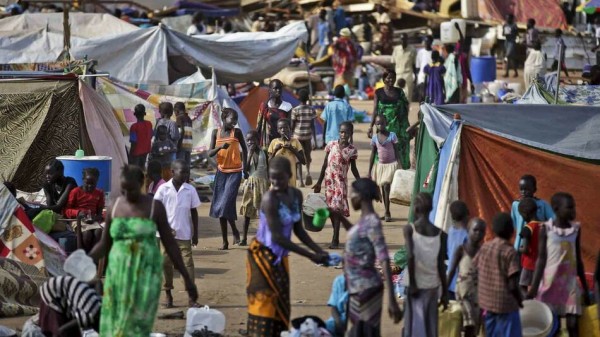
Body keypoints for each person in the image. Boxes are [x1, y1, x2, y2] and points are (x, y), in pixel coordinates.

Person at [89, 165, 198, 336]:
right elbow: (105, 243)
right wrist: (87, 259)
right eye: (124, 189)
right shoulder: (115, 206)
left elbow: (170, 245)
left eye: (131, 189)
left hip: (146, 275)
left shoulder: (154, 207)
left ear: (142, 184)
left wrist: (187, 279)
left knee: (137, 325)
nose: (127, 194)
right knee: (114, 321)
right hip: (118, 274)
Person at [245, 156, 329, 336]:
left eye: (280, 178)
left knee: (281, 298)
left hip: (280, 256)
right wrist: (310, 255)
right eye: (272, 178)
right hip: (262, 256)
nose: (275, 183)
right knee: (264, 302)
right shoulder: (269, 199)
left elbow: (299, 230)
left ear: (290, 176)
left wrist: (318, 250)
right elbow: (277, 237)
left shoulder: (296, 195)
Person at [329, 178, 402, 336]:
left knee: (366, 332)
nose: (350, 197)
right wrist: (340, 218)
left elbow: (383, 258)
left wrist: (392, 300)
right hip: (357, 287)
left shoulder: (372, 223)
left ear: (361, 196)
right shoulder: (366, 219)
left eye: (352, 193)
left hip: (367, 288)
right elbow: (359, 235)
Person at [528, 192, 590, 337]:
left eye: (574, 207)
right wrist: (534, 288)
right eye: (569, 207)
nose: (573, 211)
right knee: (550, 326)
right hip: (550, 284)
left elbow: (578, 259)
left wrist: (586, 289)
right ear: (556, 209)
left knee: (573, 325)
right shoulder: (546, 229)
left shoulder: (575, 229)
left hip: (570, 285)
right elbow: (541, 260)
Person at [153, 160, 200, 309]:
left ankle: (191, 297)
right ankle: (168, 293)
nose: (186, 174)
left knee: (187, 265)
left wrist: (195, 233)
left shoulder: (190, 190)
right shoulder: (163, 189)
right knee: (165, 264)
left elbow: (194, 212)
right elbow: (156, 211)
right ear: (172, 172)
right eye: (182, 172)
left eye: (187, 172)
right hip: (165, 236)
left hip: (184, 234)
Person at [403, 192, 448, 337]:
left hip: (414, 286)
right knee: (430, 326)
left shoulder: (410, 229)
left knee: (413, 325)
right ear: (431, 208)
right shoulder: (441, 234)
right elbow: (441, 265)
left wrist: (414, 283)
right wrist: (445, 292)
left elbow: (410, 256)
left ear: (415, 209)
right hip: (432, 286)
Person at [474, 212, 523, 337]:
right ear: (512, 232)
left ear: (493, 230)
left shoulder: (485, 247)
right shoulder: (510, 252)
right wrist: (520, 300)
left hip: (487, 304)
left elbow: (475, 268)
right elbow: (513, 285)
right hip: (506, 306)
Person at [313, 121, 359, 249]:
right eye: (341, 132)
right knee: (331, 211)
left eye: (346, 132)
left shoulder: (351, 150)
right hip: (329, 182)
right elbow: (324, 165)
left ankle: (335, 239)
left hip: (340, 183)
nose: (343, 134)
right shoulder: (331, 145)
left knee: (336, 210)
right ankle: (336, 233)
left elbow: (353, 169)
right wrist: (318, 182)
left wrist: (360, 181)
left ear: (351, 134)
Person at [208, 108, 248, 250]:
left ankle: (235, 233)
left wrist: (246, 166)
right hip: (221, 172)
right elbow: (209, 153)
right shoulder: (215, 133)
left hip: (235, 172)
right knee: (220, 207)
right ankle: (226, 240)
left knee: (225, 204)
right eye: (233, 119)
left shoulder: (236, 132)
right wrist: (219, 147)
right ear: (224, 118)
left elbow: (245, 148)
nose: (235, 122)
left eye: (236, 119)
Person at [447, 218, 486, 337]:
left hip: (477, 294)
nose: (478, 233)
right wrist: (444, 290)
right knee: (468, 323)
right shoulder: (461, 249)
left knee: (474, 326)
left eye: (481, 231)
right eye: (475, 230)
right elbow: (452, 270)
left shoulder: (483, 251)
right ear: (468, 230)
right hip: (462, 293)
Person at [369, 69, 411, 170]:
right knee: (381, 149)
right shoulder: (378, 92)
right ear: (384, 79)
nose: (391, 80)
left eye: (393, 78)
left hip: (397, 126)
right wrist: (370, 126)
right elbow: (375, 110)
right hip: (383, 125)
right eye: (388, 78)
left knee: (397, 148)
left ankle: (398, 170)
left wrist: (406, 126)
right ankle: (381, 172)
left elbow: (405, 107)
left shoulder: (399, 92)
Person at [239, 130, 269, 247]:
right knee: (247, 210)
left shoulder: (264, 152)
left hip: (262, 184)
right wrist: (250, 154)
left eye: (253, 139)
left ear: (258, 140)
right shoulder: (246, 153)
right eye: (248, 140)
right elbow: (245, 172)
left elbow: (268, 167)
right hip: (250, 184)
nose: (250, 142)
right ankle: (244, 238)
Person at [64, 168, 104, 253]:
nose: (90, 186)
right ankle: (86, 256)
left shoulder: (99, 193)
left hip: (92, 221)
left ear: (97, 181)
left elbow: (100, 214)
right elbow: (66, 210)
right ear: (83, 180)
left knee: (98, 232)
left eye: (93, 184)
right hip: (77, 219)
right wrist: (77, 213)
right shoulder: (75, 192)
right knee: (87, 235)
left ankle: (93, 256)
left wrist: (95, 218)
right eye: (87, 183)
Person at [510, 174, 554, 251]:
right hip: (520, 244)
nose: (523, 192)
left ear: (534, 189)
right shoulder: (516, 204)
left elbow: (554, 220)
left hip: (537, 244)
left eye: (527, 189)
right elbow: (513, 223)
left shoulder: (542, 204)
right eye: (521, 189)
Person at [368, 115, 399, 222]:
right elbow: (373, 154)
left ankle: (387, 212)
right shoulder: (375, 138)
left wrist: (400, 165)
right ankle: (386, 210)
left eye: (382, 123)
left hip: (391, 165)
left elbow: (396, 151)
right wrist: (369, 170)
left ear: (386, 123)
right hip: (380, 166)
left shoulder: (392, 136)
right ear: (375, 125)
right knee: (383, 188)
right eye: (378, 123)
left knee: (386, 186)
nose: (380, 125)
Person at [290, 89, 317, 187]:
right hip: (308, 137)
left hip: (298, 137)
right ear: (308, 98)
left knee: (299, 157)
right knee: (308, 156)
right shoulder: (311, 110)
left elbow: (292, 125)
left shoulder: (295, 110)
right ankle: (308, 172)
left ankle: (300, 180)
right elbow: (313, 125)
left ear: (298, 98)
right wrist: (314, 139)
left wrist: (291, 136)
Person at [268, 119, 305, 187]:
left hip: (290, 177)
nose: (283, 130)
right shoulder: (274, 142)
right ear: (277, 130)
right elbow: (269, 162)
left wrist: (292, 149)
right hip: (277, 177)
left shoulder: (295, 142)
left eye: (285, 127)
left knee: (289, 195)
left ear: (289, 128)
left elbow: (303, 161)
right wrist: (275, 150)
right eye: (280, 128)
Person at [256, 79, 293, 148]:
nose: (278, 90)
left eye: (279, 88)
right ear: (269, 90)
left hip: (283, 141)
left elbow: (290, 125)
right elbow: (259, 125)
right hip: (267, 141)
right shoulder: (264, 106)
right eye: (275, 88)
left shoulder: (287, 106)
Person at [517, 197, 542, 294]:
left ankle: (528, 303)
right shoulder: (543, 226)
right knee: (538, 286)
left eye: (521, 215)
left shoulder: (528, 228)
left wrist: (519, 249)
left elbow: (525, 249)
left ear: (525, 214)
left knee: (522, 286)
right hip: (540, 264)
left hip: (529, 263)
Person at [446, 200, 469, 300]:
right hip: (462, 280)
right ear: (467, 214)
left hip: (450, 280)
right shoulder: (467, 235)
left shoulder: (451, 231)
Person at [391, 34, 417, 101]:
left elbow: (414, 64)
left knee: (407, 96)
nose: (403, 41)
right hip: (398, 74)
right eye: (401, 39)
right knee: (396, 95)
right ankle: (397, 111)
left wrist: (415, 77)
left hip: (408, 75)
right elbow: (393, 63)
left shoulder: (412, 50)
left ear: (407, 40)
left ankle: (406, 110)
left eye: (404, 39)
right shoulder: (396, 49)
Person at [129, 104, 153, 169]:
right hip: (146, 150)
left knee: (135, 171)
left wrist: (130, 156)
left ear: (135, 114)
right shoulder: (149, 124)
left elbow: (133, 143)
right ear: (144, 113)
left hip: (136, 153)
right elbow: (151, 135)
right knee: (142, 169)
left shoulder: (134, 127)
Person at [324, 273, 348, 337]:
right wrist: (338, 322)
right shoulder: (339, 280)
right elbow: (334, 306)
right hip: (338, 320)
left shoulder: (368, 282)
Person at [454, 22, 473, 103]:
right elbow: (461, 40)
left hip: (463, 82)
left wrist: (471, 82)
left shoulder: (463, 56)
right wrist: (458, 29)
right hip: (456, 83)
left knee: (463, 101)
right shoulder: (454, 57)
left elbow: (467, 70)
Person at [174, 102, 193, 167]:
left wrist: (178, 145)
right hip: (189, 145)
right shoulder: (189, 118)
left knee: (180, 164)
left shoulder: (179, 118)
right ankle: (187, 177)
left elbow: (181, 131)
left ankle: (181, 177)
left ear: (176, 110)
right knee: (187, 165)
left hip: (182, 144)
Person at [415, 35, 433, 102]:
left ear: (431, 42)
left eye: (428, 41)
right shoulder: (420, 52)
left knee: (429, 97)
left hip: (431, 79)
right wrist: (417, 79)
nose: (426, 43)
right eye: (425, 41)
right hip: (421, 78)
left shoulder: (434, 53)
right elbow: (417, 67)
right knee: (421, 96)